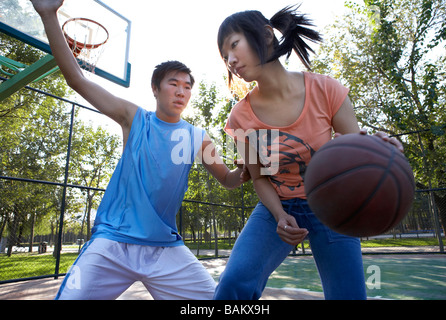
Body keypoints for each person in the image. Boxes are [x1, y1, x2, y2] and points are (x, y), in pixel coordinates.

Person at [30, 0, 249, 300]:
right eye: (174, 84)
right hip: (113, 243)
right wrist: (48, 13)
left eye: (187, 86)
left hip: (164, 248)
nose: (181, 91)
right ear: (155, 89)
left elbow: (228, 179)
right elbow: (76, 79)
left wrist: (246, 170)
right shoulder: (134, 119)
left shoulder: (197, 137)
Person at [214, 6, 404, 300]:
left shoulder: (325, 89)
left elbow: (354, 148)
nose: (231, 60)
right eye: (224, 56)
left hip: (331, 205)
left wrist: (377, 147)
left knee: (349, 295)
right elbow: (260, 178)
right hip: (278, 206)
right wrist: (279, 216)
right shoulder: (239, 118)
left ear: (266, 36)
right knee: (231, 286)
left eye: (233, 45)